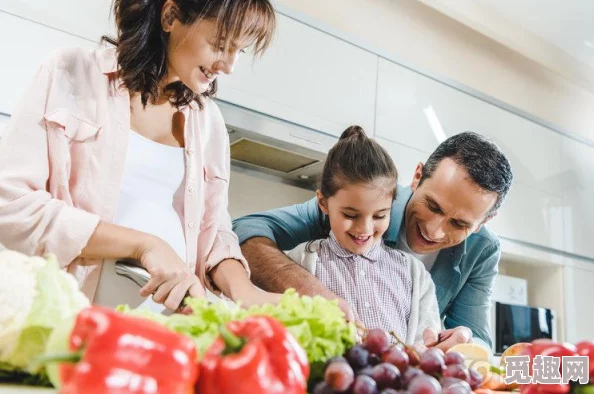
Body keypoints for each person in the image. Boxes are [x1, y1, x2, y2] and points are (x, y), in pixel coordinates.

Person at [0, 0, 280, 311]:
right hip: (70, 323)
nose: (228, 66)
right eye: (220, 44)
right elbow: (11, 206)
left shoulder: (208, 121)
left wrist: (246, 291)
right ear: (171, 16)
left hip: (166, 333)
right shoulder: (71, 72)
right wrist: (144, 245)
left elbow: (214, 231)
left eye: (239, 51)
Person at [233, 131, 513, 350]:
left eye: (459, 224)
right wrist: (314, 293)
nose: (435, 230)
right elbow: (246, 230)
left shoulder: (482, 251)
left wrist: (466, 339)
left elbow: (478, 340)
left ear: (484, 222)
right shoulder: (362, 203)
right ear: (417, 177)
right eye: (433, 206)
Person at [285, 126, 440, 344]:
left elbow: (426, 348)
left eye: (380, 216)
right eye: (350, 214)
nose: (364, 229)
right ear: (323, 202)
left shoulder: (414, 274)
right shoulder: (300, 261)